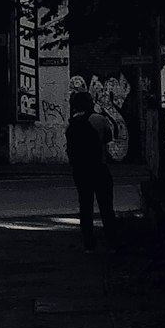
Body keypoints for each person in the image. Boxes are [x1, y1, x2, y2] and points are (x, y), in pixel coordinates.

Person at [66, 89, 117, 250]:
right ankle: (112, 241)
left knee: (85, 206)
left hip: (81, 170)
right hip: (99, 167)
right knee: (106, 206)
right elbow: (108, 138)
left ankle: (89, 242)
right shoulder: (99, 120)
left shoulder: (72, 123)